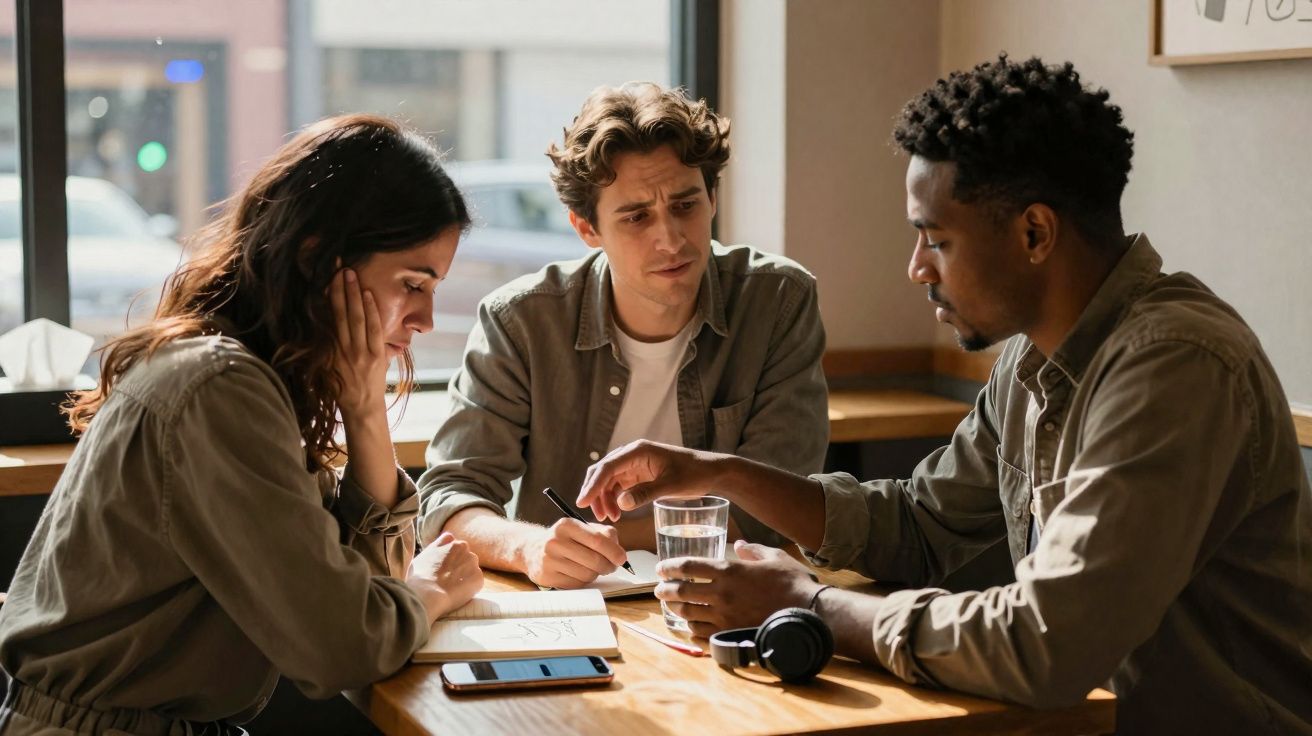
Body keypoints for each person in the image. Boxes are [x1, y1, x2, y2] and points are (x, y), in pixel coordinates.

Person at [577, 56, 1312, 734]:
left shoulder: (1174, 365)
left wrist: (808, 605)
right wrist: (720, 471)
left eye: (935, 239)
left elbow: (1046, 642)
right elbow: (920, 525)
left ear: (1034, 233)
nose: (916, 269)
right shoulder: (1032, 358)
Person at [0, 114, 484, 735]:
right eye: (413, 283)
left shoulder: (243, 377)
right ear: (317, 257)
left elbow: (365, 597)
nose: (424, 317)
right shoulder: (219, 387)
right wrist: (430, 593)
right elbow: (346, 646)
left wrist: (365, 411)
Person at [416, 82, 829, 589]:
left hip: (727, 593)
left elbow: (780, 503)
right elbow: (449, 495)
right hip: (569, 602)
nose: (672, 239)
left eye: (685, 205)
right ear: (586, 228)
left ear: (712, 197)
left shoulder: (778, 300)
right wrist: (529, 546)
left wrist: (618, 535)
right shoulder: (521, 321)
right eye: (636, 217)